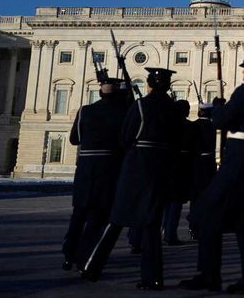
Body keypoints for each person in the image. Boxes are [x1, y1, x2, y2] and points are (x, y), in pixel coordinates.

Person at [180, 48, 244, 295]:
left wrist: (217, 106)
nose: (242, 69)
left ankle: (209, 274)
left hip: (238, 160)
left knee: (203, 212)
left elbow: (221, 122)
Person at [80, 67, 179, 290]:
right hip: (162, 167)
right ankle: (152, 278)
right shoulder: (173, 109)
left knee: (116, 219)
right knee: (152, 225)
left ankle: (92, 266)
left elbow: (126, 136)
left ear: (150, 84)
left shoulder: (141, 105)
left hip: (137, 167)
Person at [61, 74, 128, 270]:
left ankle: (68, 254)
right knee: (97, 217)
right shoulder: (122, 112)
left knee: (78, 214)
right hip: (108, 169)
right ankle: (85, 258)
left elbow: (75, 139)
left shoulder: (86, 111)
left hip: (85, 169)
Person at [163, 99, 196, 246]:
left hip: (166, 165)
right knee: (175, 204)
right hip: (182, 167)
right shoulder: (190, 126)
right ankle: (170, 234)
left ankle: (164, 230)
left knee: (166, 203)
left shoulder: (167, 126)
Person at [188, 101, 217, 240]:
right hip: (209, 164)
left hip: (195, 164)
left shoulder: (193, 126)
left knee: (195, 198)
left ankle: (193, 227)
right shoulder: (214, 126)